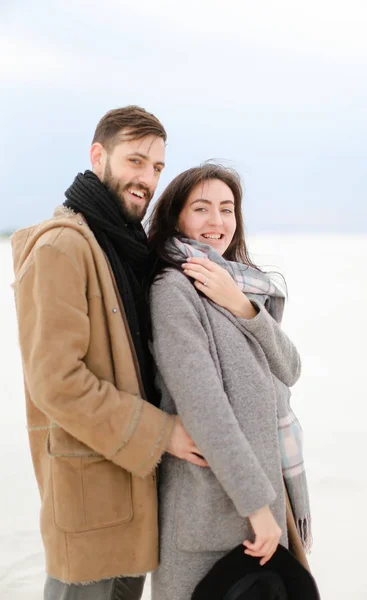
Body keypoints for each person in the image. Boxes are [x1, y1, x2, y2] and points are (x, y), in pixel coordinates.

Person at [11, 106, 207, 600]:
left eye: (157, 168)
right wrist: (164, 433)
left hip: (132, 495)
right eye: (136, 161)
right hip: (90, 506)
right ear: (98, 156)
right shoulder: (62, 247)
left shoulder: (120, 245)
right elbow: (56, 382)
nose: (147, 179)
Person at [147, 164, 312, 600]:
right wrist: (258, 509)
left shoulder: (240, 288)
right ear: (176, 217)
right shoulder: (171, 290)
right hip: (211, 521)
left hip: (265, 519)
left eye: (227, 208)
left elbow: (291, 368)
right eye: (201, 209)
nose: (217, 222)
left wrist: (241, 305)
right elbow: (206, 411)